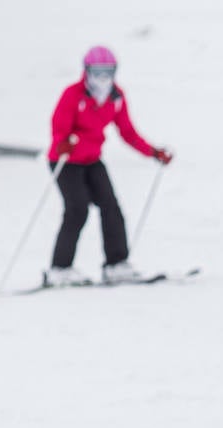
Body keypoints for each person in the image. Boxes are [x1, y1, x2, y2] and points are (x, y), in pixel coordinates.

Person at [44, 45, 173, 288]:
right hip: (66, 162)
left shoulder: (115, 97)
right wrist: (62, 143)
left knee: (111, 207)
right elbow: (59, 124)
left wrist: (153, 152)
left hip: (92, 160)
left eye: (108, 71)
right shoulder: (73, 94)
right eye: (97, 71)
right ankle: (59, 269)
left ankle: (116, 264)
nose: (103, 77)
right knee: (77, 209)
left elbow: (127, 132)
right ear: (87, 71)